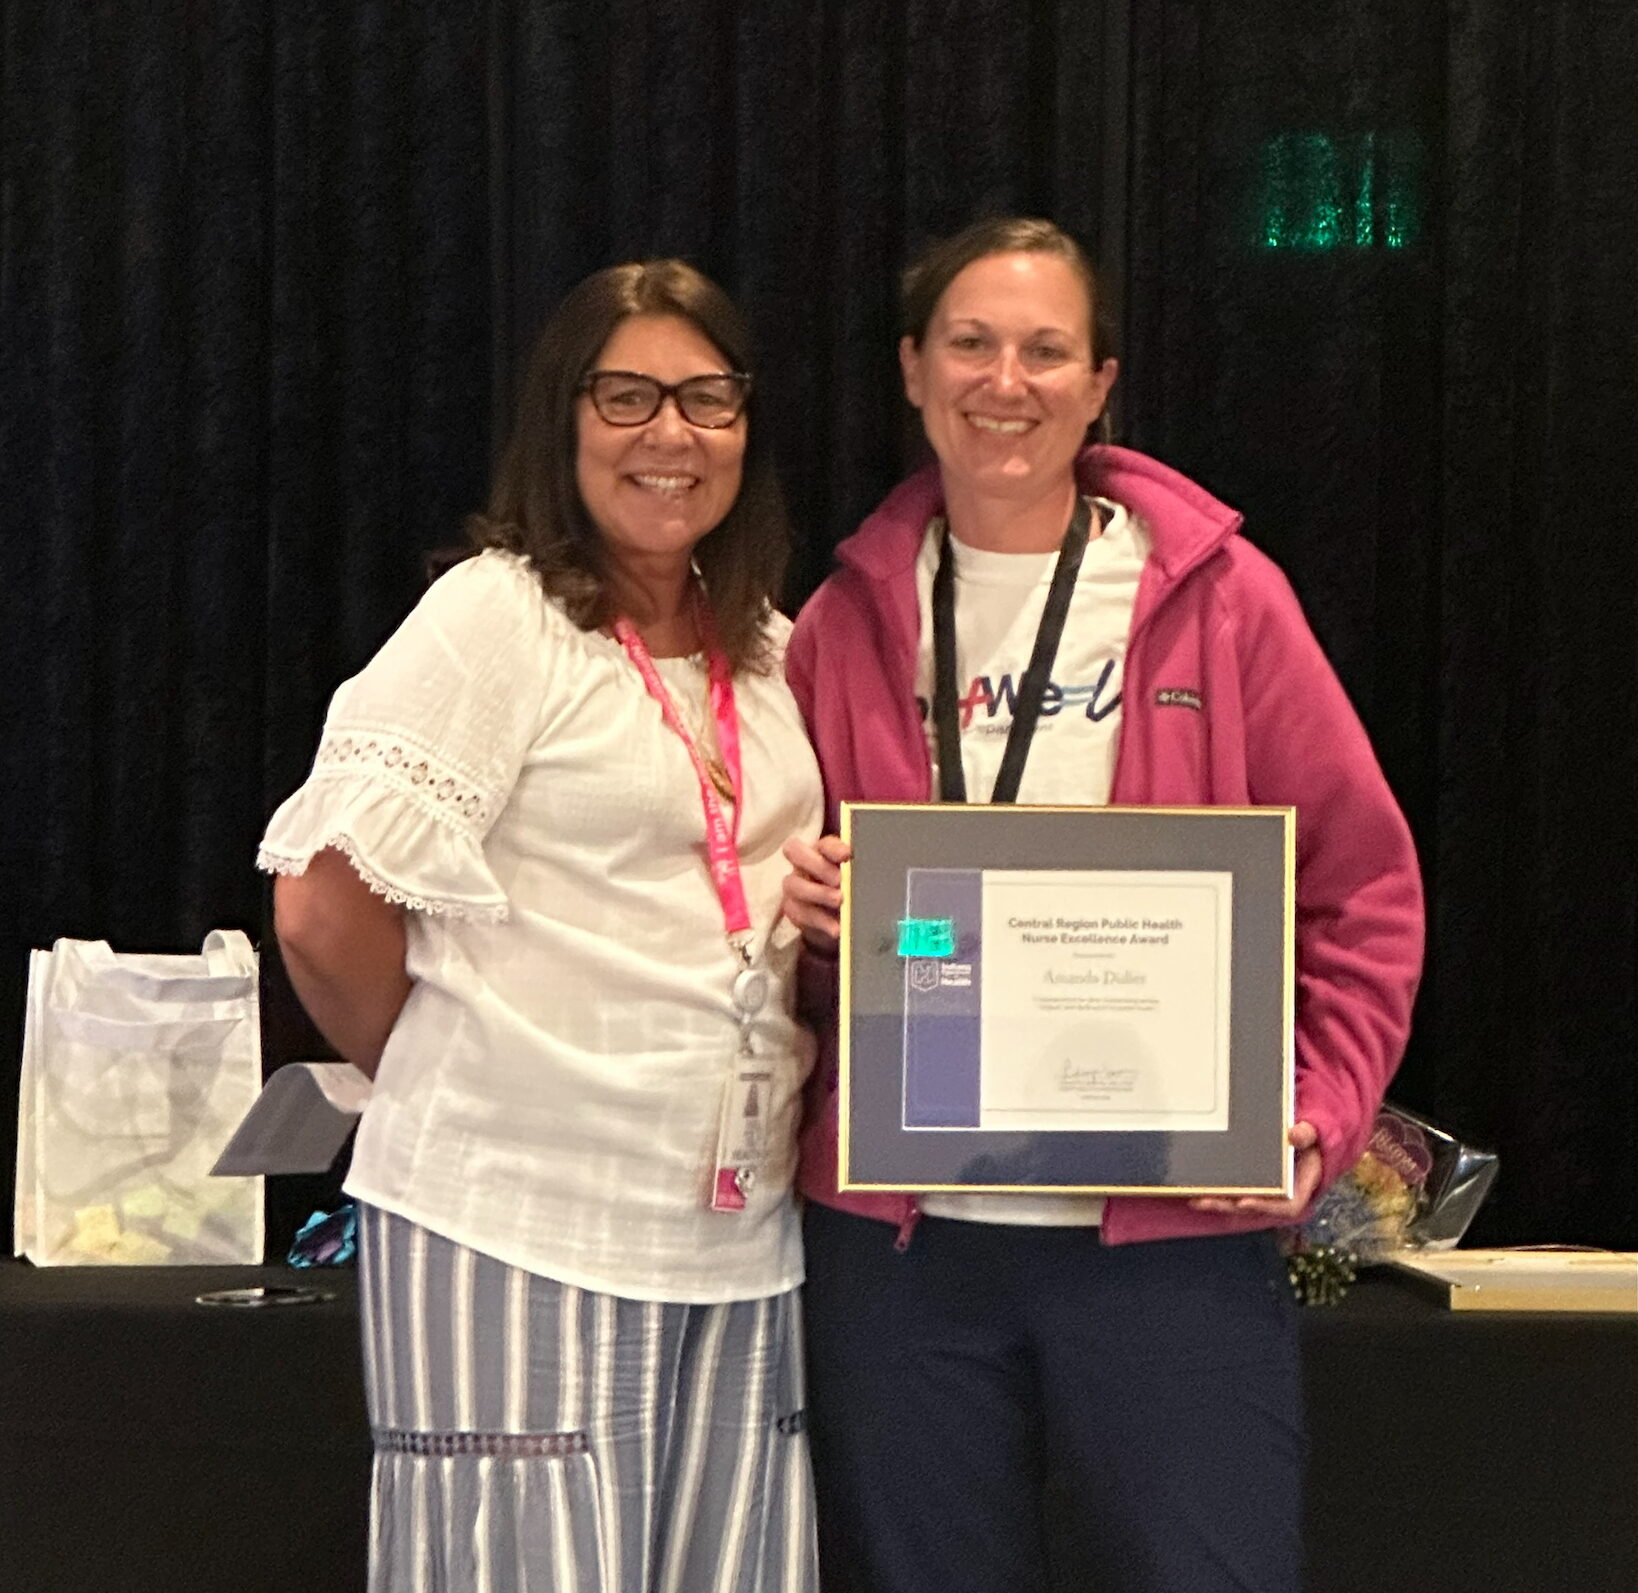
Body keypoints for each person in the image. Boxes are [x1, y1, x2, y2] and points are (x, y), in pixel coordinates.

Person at [781, 217, 1424, 1593]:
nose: (1002, 381)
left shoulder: (1221, 601)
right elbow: (767, 933)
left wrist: (1310, 1113)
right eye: (968, 342)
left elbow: (1363, 890)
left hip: (1168, 1246)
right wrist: (809, 920)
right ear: (909, 368)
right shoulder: (836, 624)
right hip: (904, 1254)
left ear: (1097, 382)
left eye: (1043, 349)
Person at [260, 259, 822, 1593]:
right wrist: (474, 1072)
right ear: (560, 421)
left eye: (706, 396)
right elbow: (322, 908)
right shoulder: (495, 618)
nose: (669, 433)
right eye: (624, 395)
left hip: (740, 1239)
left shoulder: (773, 649)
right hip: (514, 1225)